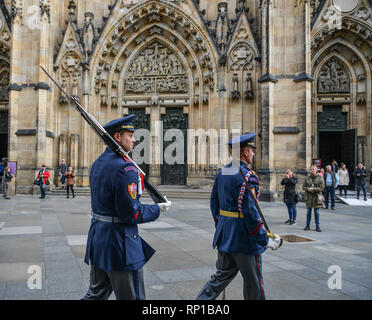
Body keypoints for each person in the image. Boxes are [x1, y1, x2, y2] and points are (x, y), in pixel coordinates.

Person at [82, 115, 171, 300]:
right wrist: (158, 209)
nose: (134, 139)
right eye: (130, 134)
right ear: (117, 137)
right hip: (119, 244)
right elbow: (132, 213)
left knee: (96, 295)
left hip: (99, 239)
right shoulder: (126, 169)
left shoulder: (97, 163)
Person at [196, 133, 281, 300]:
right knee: (253, 283)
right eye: (252, 150)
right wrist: (264, 239)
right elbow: (249, 212)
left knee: (220, 278)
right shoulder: (249, 176)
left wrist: (222, 226)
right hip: (244, 239)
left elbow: (214, 204)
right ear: (245, 152)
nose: (253, 154)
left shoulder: (222, 173)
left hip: (225, 235)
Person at [303, 165, 325, 232]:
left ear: (316, 170)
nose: (311, 170)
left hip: (316, 197)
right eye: (311, 169)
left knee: (317, 212)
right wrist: (308, 189)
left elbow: (322, 187)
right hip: (309, 197)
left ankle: (317, 226)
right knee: (308, 212)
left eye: (313, 169)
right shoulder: (307, 178)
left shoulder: (320, 178)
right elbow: (303, 187)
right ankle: (307, 225)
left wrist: (313, 189)